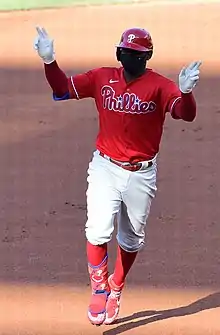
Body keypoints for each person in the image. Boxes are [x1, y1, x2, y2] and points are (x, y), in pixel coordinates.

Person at [34, 26, 201, 326]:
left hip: (141, 173)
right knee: (97, 230)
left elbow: (185, 114)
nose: (130, 58)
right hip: (105, 167)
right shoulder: (101, 77)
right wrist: (49, 61)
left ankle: (116, 285)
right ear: (118, 52)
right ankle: (99, 288)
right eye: (126, 53)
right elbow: (62, 89)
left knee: (132, 239)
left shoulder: (160, 86)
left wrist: (186, 93)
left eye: (137, 55)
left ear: (147, 56)